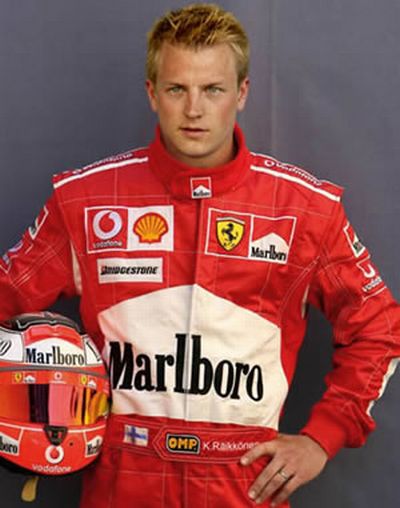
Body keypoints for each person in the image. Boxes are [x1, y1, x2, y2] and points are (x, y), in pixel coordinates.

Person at [0, 3, 399, 507]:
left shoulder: (305, 209)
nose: (194, 109)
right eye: (177, 89)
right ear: (152, 93)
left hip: (244, 487)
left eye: (212, 89)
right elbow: (7, 293)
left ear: (242, 93)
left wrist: (324, 436)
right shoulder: (86, 201)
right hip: (122, 487)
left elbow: (378, 326)